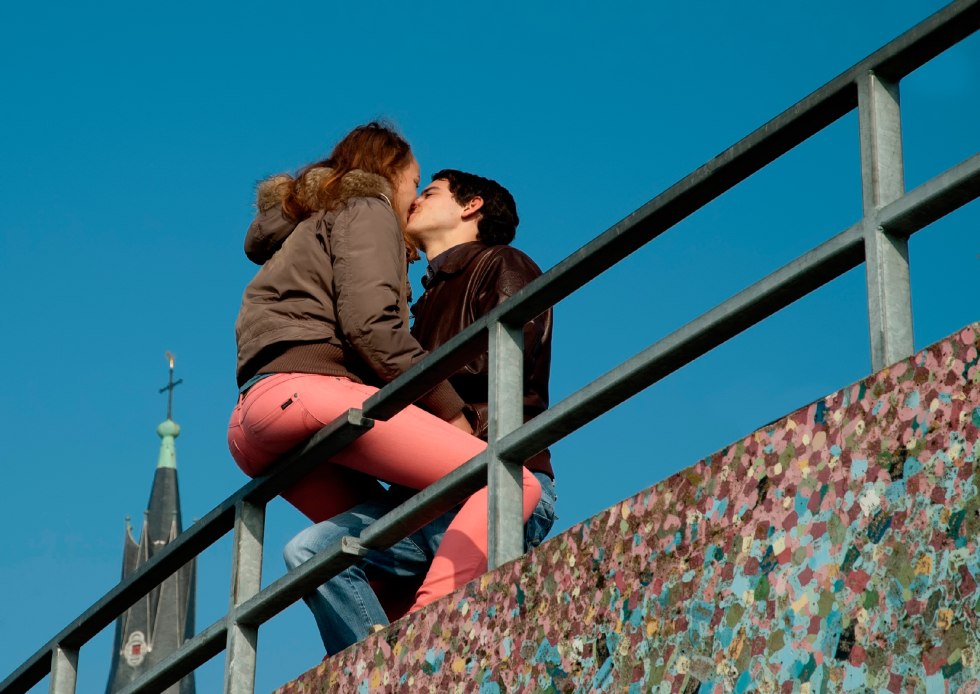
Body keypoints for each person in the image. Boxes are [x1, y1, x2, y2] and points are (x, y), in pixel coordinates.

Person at [227, 123, 542, 621]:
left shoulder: (311, 227)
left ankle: (383, 663)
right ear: (388, 172)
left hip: (254, 419)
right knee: (510, 479)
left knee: (352, 555)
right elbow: (372, 329)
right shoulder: (366, 208)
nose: (413, 198)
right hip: (308, 394)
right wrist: (450, 415)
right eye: (414, 182)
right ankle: (432, 636)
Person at [284, 169, 555, 655]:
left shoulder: (502, 264)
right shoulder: (419, 300)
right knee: (309, 552)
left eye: (430, 193)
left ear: (471, 206)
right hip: (425, 496)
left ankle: (408, 666)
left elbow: (506, 357)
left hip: (500, 476)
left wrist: (399, 364)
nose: (413, 201)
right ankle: (378, 668)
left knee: (430, 621)